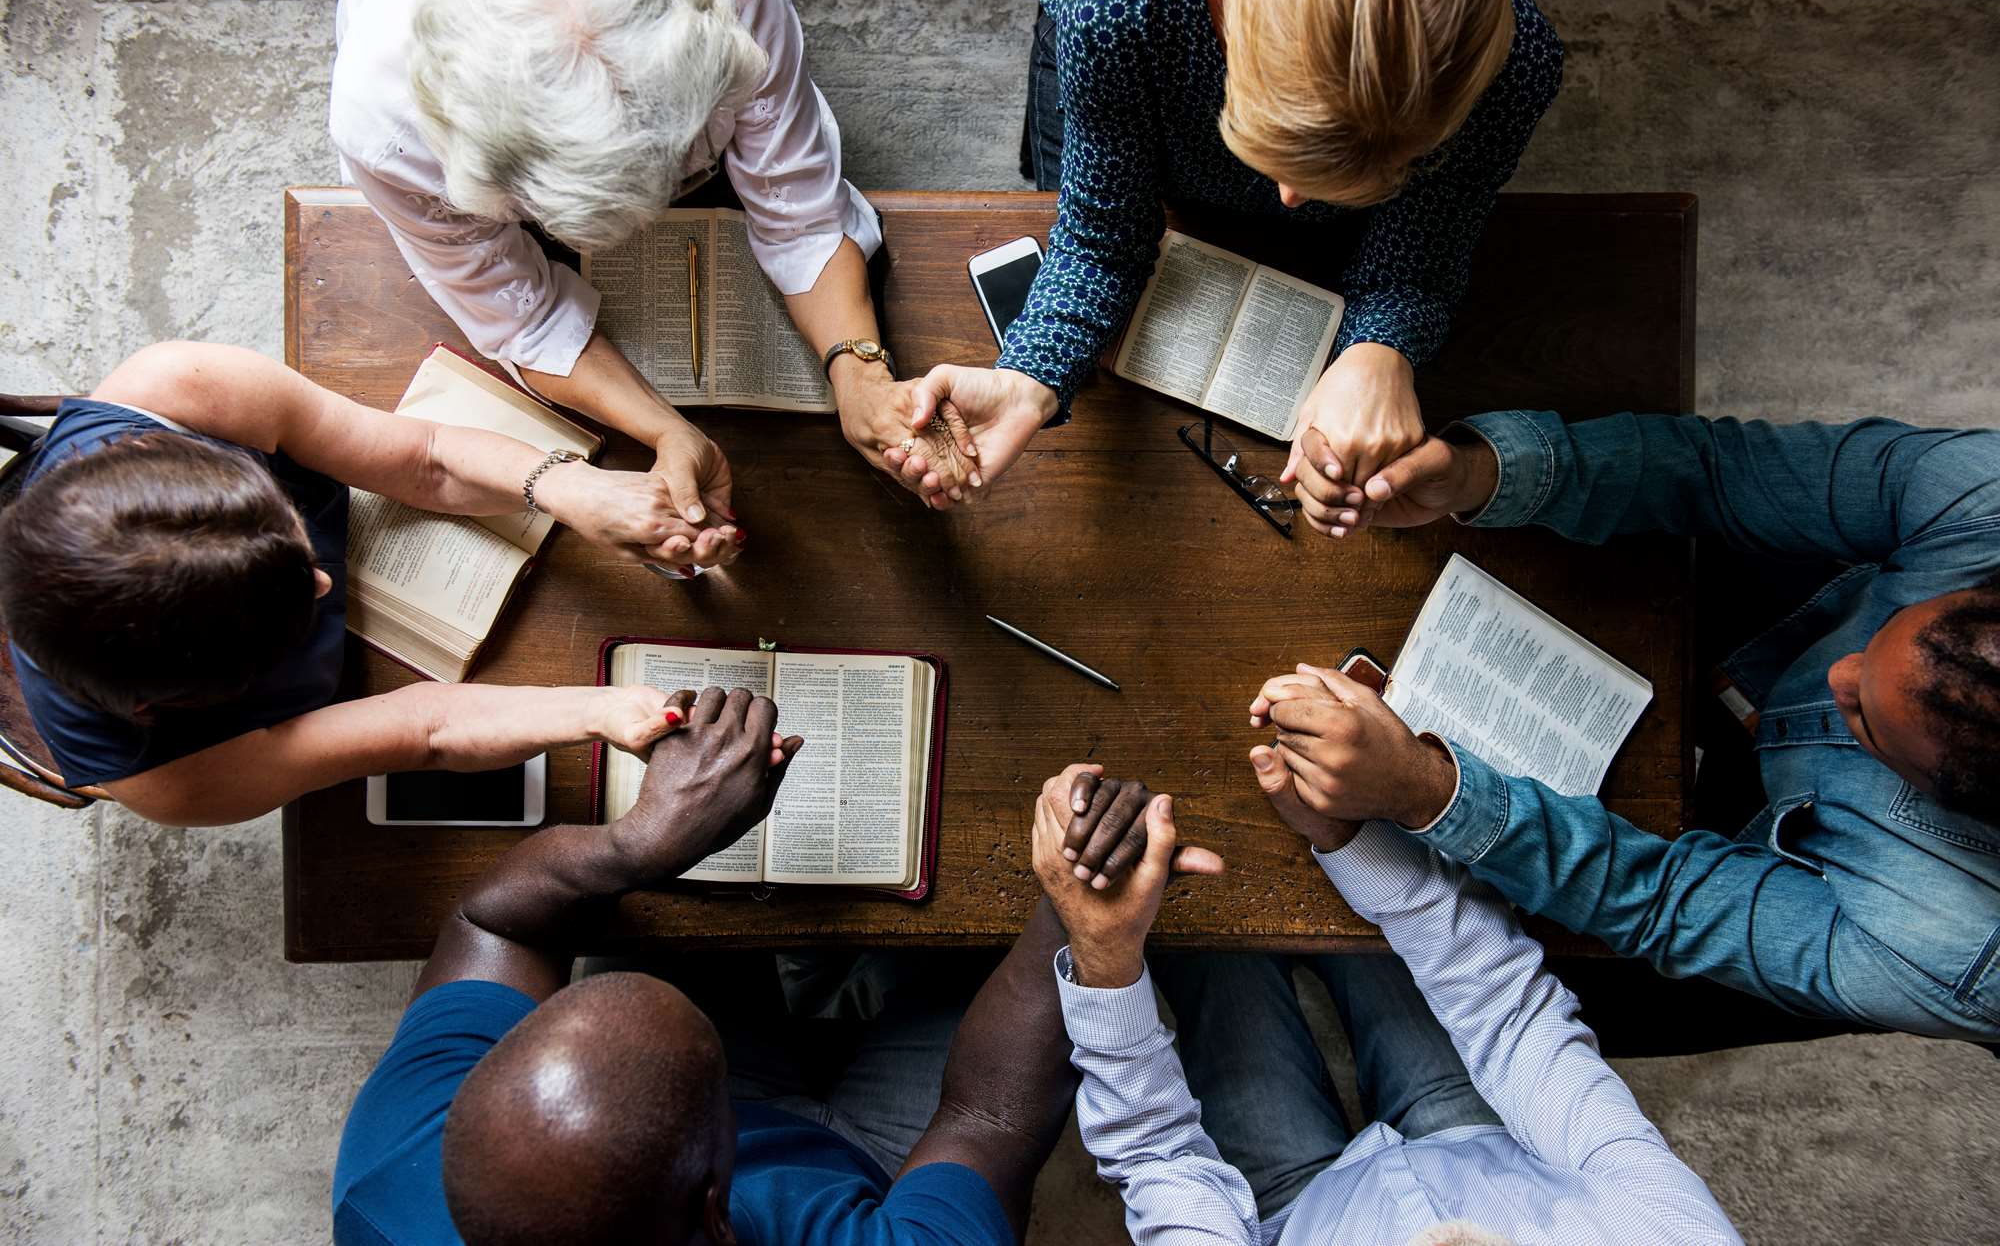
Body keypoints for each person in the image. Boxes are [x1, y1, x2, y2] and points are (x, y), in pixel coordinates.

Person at [1251, 410, 2000, 1043]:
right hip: (1787, 615)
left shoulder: (1952, 950)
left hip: (1818, 882)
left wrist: (1426, 790)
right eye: (1881, 632)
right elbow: (1720, 468)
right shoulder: (1986, 502)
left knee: (1559, 993)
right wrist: (1482, 472)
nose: (1839, 674)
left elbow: (1663, 901)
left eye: (1866, 717)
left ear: (1945, 796)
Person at [334, 686, 1077, 1245]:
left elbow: (489, 922)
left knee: (669, 913)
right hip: (889, 1164)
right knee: (992, 936)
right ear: (718, 1211)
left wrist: (640, 844)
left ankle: (825, 984)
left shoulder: (395, 1176)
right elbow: (988, 1118)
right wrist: (1078, 901)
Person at [891, 0, 1562, 517]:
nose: (1293, 201)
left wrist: (1380, 349)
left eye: (1381, 168)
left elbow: (1424, 247)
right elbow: (1102, 238)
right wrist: (1029, 376)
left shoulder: (1516, 63)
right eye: (1280, 148)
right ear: (1231, 30)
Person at [333, 0, 975, 518]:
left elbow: (801, 214)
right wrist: (666, 429)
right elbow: (523, 318)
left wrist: (859, 372)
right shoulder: (383, 132)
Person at [0, 343, 724, 826]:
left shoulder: (171, 392)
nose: (321, 579)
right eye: (285, 614)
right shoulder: (171, 779)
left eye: (282, 524)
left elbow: (427, 457)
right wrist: (605, 710)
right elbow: (424, 730)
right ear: (172, 700)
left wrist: (571, 488)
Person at [1034, 760, 1740, 1244]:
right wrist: (1347, 835)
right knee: (1367, 879)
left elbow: (1159, 1154)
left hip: (1290, 1210)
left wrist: (1107, 952)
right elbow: (1515, 1021)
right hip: (1481, 1139)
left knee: (1199, 909)